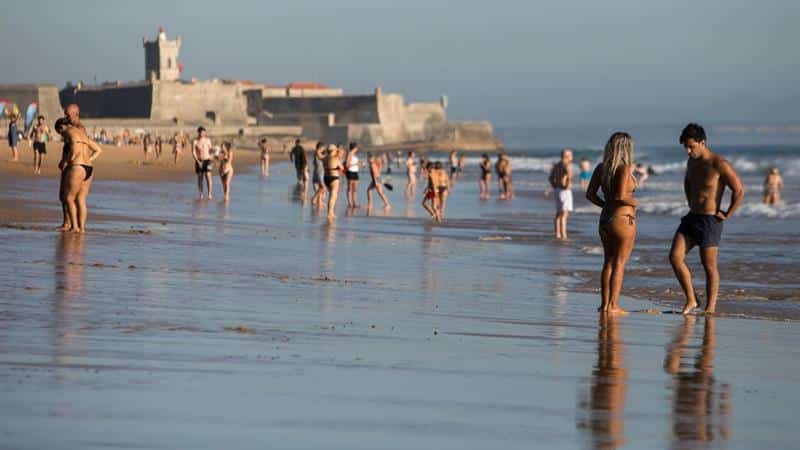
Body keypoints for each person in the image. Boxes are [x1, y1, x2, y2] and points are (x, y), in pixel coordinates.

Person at [669, 123, 745, 315]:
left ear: (703, 142)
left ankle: (710, 307)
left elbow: (739, 190)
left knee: (709, 265)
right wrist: (690, 202)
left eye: (691, 146)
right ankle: (692, 299)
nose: (688, 151)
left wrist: (727, 214)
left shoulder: (719, 163)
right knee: (675, 257)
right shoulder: (691, 162)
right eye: (685, 147)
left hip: (710, 221)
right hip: (691, 217)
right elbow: (687, 182)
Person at [586, 132, 637, 314]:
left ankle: (605, 304)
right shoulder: (624, 168)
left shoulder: (602, 168)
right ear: (626, 148)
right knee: (619, 263)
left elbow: (590, 194)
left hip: (605, 220)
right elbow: (621, 196)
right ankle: (613, 305)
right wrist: (635, 203)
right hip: (623, 220)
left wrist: (605, 205)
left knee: (608, 262)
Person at [58, 104, 103, 233]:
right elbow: (98, 149)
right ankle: (81, 228)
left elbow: (74, 148)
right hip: (88, 167)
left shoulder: (69, 131)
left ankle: (74, 227)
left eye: (67, 114)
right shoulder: (82, 133)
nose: (65, 117)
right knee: (81, 199)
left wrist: (66, 161)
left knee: (69, 198)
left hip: (77, 166)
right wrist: (88, 159)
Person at [549, 149, 574, 240]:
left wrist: (555, 186)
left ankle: (558, 234)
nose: (572, 157)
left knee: (558, 214)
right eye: (571, 155)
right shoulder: (567, 165)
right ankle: (564, 235)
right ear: (567, 156)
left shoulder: (557, 165)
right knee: (564, 214)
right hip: (564, 191)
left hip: (558, 190)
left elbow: (551, 178)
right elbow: (569, 176)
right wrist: (567, 186)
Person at [192, 126, 213, 200]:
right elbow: (193, 153)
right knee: (200, 178)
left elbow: (211, 150)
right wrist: (197, 161)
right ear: (198, 132)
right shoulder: (195, 141)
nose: (203, 134)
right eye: (201, 132)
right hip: (199, 160)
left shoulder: (208, 140)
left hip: (207, 160)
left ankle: (209, 194)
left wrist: (211, 156)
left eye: (204, 132)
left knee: (208, 176)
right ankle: (201, 194)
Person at [323, 144, 344, 219]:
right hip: (334, 178)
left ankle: (331, 212)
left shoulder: (325, 158)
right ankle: (329, 213)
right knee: (333, 196)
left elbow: (326, 166)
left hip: (326, 178)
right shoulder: (335, 158)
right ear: (334, 151)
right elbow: (342, 168)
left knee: (331, 196)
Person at [345, 142, 361, 208]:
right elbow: (347, 164)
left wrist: (359, 164)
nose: (357, 149)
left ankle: (355, 203)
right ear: (355, 147)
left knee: (355, 189)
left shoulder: (354, 154)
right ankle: (349, 203)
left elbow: (354, 163)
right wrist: (356, 164)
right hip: (350, 172)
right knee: (349, 188)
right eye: (357, 147)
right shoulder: (350, 153)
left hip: (355, 172)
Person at [311, 142, 327, 206]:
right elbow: (321, 157)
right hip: (319, 172)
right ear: (321, 147)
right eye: (323, 148)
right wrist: (328, 156)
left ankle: (320, 202)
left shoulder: (317, 152)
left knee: (318, 188)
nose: (324, 149)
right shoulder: (317, 151)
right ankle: (314, 198)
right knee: (323, 187)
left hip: (317, 172)